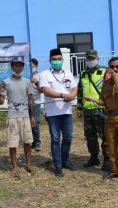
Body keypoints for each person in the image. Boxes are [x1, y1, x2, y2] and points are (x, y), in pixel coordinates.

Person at [87, 57, 118, 184]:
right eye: (112, 67)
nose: (114, 69)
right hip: (109, 118)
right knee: (111, 147)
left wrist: (115, 79)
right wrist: (93, 99)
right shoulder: (106, 84)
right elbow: (103, 101)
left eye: (117, 67)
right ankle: (114, 171)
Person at [39, 48, 78, 177]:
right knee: (55, 140)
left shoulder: (68, 73)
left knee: (68, 138)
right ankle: (58, 166)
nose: (57, 61)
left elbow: (74, 88)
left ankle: (65, 161)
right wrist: (62, 95)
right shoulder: (44, 74)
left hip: (67, 112)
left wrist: (71, 95)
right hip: (53, 114)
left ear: (62, 59)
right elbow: (46, 90)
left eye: (59, 59)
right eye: (54, 59)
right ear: (50, 60)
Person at [0, 57, 35, 177]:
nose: (18, 68)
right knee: (12, 144)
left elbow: (31, 99)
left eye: (20, 66)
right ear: (11, 67)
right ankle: (14, 168)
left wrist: (32, 116)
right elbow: (2, 101)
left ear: (23, 67)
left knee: (27, 142)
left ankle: (28, 165)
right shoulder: (6, 82)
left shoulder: (27, 82)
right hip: (12, 117)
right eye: (16, 66)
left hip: (25, 116)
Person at [76, 49, 110, 171]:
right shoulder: (83, 73)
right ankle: (94, 157)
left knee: (104, 136)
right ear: (86, 60)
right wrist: (79, 107)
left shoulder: (104, 71)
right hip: (87, 110)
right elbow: (80, 90)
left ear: (97, 59)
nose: (91, 60)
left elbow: (109, 90)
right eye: (89, 58)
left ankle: (107, 159)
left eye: (93, 58)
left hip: (100, 109)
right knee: (90, 136)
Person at [29, 58, 42, 151]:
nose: (30, 68)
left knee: (35, 122)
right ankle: (32, 142)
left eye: (32, 66)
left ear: (36, 66)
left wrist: (36, 83)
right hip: (27, 102)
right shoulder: (26, 76)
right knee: (29, 123)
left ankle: (37, 142)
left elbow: (41, 91)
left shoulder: (40, 76)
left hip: (36, 102)